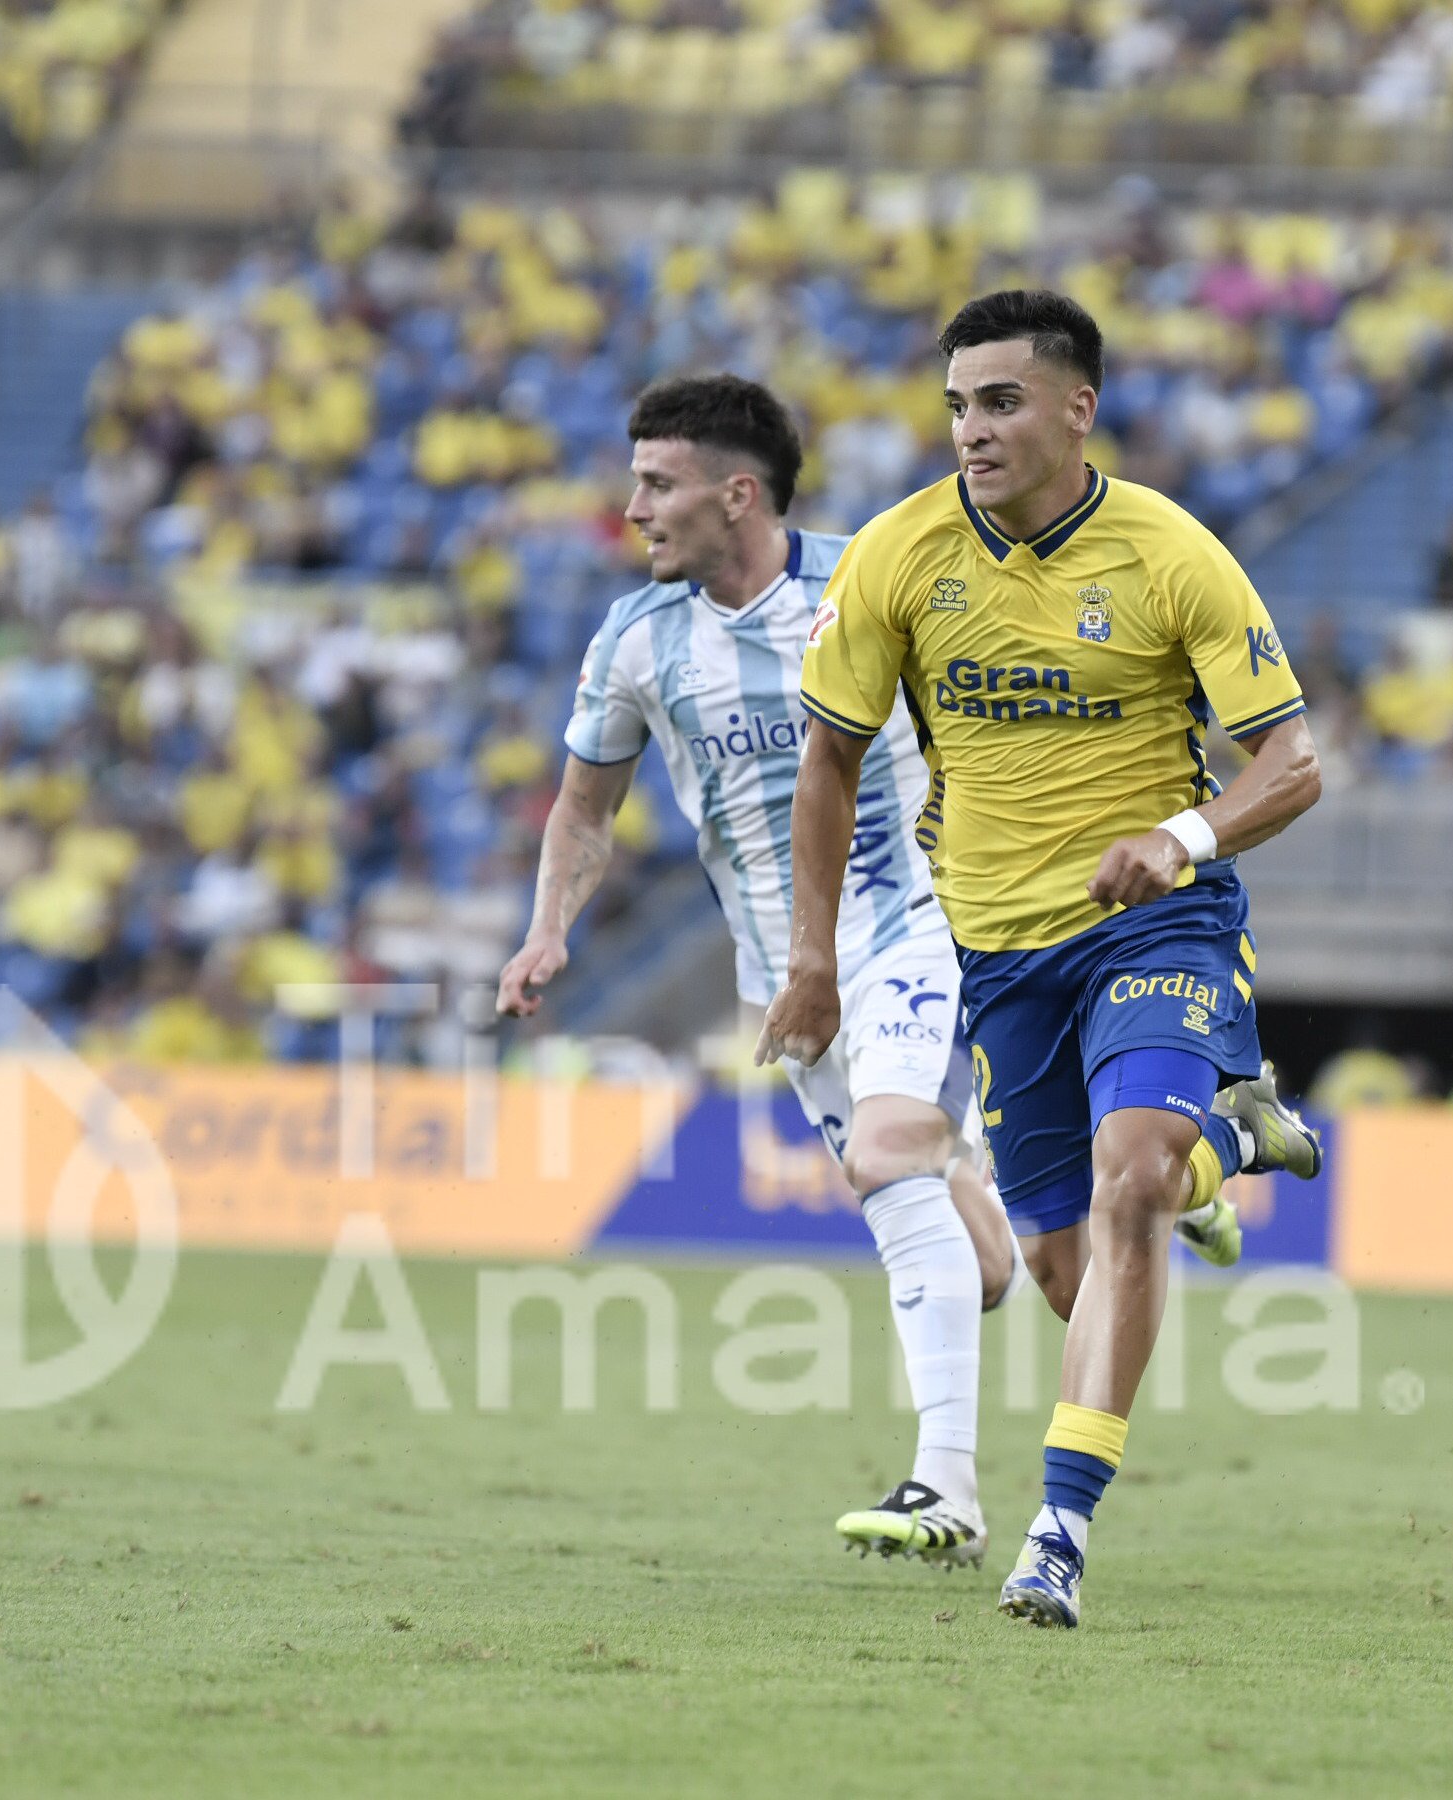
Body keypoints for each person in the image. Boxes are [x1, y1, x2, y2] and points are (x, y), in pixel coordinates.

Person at [769, 292, 1328, 1629]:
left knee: (1128, 1182)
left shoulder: (1171, 553)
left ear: (1079, 408)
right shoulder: (900, 556)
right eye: (959, 403)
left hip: (1154, 926)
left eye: (1002, 401)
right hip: (1000, 958)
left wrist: (1180, 835)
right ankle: (1235, 1147)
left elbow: (1295, 763)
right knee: (1071, 1266)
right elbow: (831, 760)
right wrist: (813, 959)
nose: (972, 429)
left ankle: (1057, 1533)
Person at [498, 374, 1018, 1567]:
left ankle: (945, 1489)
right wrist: (547, 929)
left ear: (738, 495)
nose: (631, 508)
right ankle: (1149, 1169)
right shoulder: (636, 639)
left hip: (915, 923)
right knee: (980, 1267)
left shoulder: (868, 584)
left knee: (888, 1158)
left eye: (655, 483)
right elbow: (585, 810)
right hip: (785, 974)